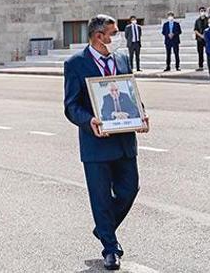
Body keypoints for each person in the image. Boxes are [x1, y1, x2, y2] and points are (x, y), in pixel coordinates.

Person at [62, 14, 149, 271]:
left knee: (130, 189)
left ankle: (102, 227)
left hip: (124, 141)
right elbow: (70, 106)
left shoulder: (121, 58)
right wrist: (89, 121)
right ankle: (110, 248)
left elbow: (131, 93)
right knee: (100, 198)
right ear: (99, 36)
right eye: (114, 32)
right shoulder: (76, 64)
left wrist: (141, 114)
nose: (118, 37)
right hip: (96, 144)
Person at [193, 7, 207, 71]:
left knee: (209, 52)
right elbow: (195, 30)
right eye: (201, 11)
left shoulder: (208, 19)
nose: (202, 12)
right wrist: (200, 35)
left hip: (207, 39)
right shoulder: (197, 20)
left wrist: (205, 35)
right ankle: (200, 66)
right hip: (199, 39)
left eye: (203, 11)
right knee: (200, 53)